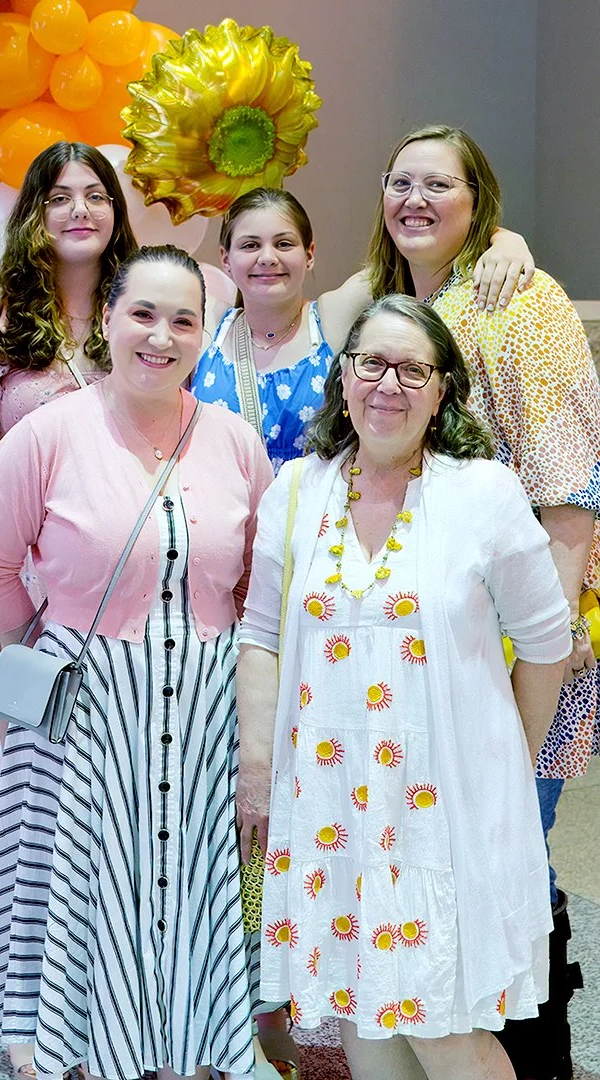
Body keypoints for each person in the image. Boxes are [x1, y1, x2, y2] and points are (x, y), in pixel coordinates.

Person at [0, 245, 274, 1080]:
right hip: (81, 701)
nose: (160, 336)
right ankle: (54, 1032)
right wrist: (45, 639)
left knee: (180, 869)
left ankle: (184, 1038)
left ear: (206, 335)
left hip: (200, 702)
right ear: (106, 320)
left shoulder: (236, 443)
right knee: (67, 869)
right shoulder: (48, 432)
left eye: (183, 320)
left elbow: (260, 584)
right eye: (143, 313)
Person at [235, 294, 571, 1080]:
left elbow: (549, 641)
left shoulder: (481, 491)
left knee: (445, 1029)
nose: (390, 384)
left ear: (442, 388)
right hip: (330, 812)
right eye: (371, 363)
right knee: (364, 1026)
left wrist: (509, 770)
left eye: (413, 369)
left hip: (441, 815)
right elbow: (260, 638)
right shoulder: (296, 491)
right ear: (343, 377)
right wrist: (258, 774)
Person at [365, 124, 600, 1076]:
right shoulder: (403, 304)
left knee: (505, 856)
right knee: (461, 853)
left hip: (516, 648)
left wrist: (535, 658)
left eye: (440, 184)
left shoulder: (520, 306)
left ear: (479, 200)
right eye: (400, 182)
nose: (415, 199)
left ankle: (534, 1054)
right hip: (432, 648)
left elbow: (570, 497)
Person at [0, 140, 137, 693]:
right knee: (34, 760)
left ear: (115, 214)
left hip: (127, 584)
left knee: (123, 765)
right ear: (35, 215)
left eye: (96, 196)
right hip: (19, 588)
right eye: (60, 198)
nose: (80, 210)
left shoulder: (143, 322)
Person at [190, 187, 535, 471]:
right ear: (225, 258)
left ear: (309, 254)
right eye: (250, 245)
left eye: (284, 244)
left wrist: (505, 239)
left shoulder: (332, 318)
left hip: (317, 531)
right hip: (227, 538)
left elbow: (415, 241)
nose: (267, 257)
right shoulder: (207, 324)